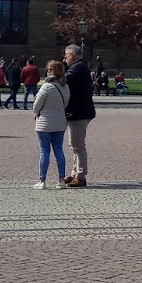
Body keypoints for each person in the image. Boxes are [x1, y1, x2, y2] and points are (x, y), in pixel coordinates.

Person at [31, 59, 70, 189]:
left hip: (45, 123)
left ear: (53, 71)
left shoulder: (46, 87)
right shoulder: (65, 87)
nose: (47, 71)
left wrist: (39, 111)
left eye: (49, 69)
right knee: (59, 150)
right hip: (59, 122)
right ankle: (61, 180)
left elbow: (36, 106)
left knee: (44, 151)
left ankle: (42, 180)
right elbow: (65, 105)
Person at [63, 43, 96, 185]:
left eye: (66, 56)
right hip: (79, 111)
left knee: (78, 145)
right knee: (74, 145)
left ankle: (81, 176)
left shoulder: (77, 68)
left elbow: (65, 80)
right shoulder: (80, 67)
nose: (64, 59)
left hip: (79, 112)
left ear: (71, 55)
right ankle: (74, 172)